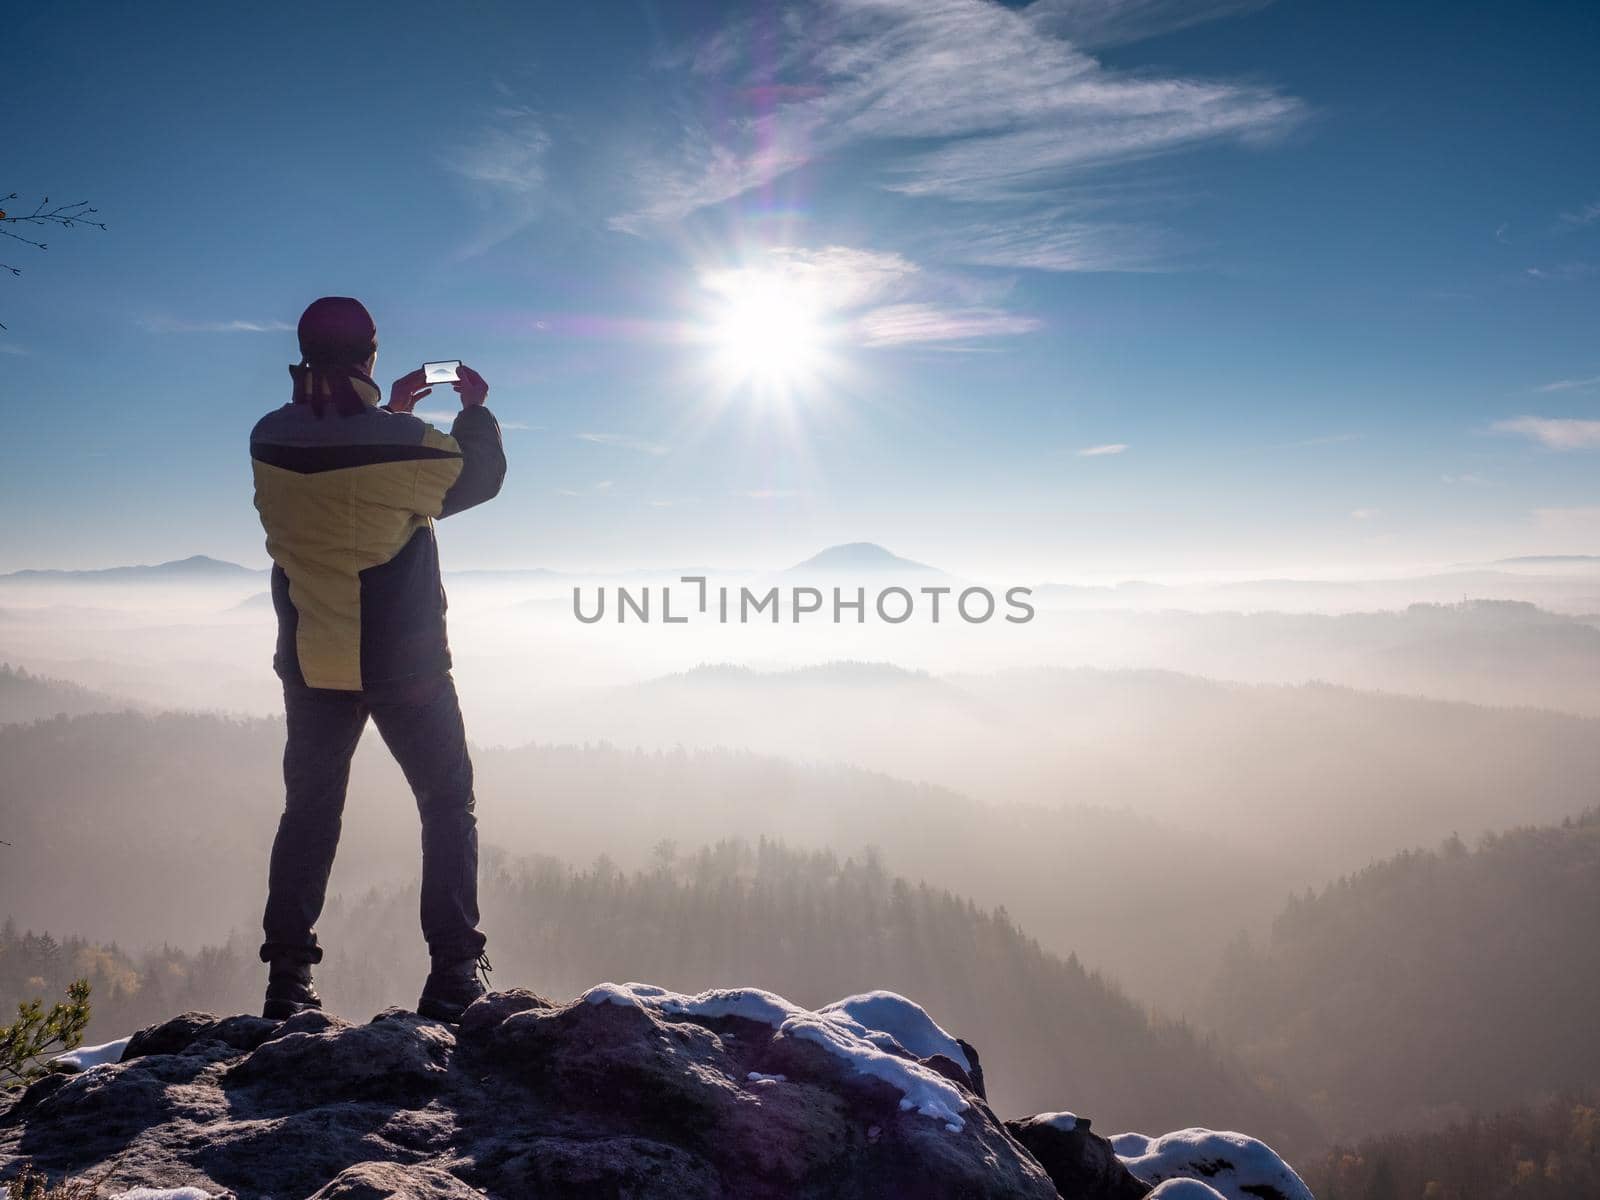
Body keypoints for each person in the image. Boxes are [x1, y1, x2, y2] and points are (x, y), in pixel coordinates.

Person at [249, 296, 507, 1023]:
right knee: (446, 802)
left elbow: (344, 472)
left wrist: (388, 413)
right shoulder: (409, 446)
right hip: (406, 668)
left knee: (310, 811)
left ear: (303, 352)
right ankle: (455, 969)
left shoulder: (268, 439)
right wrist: (475, 411)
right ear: (370, 353)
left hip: (311, 662)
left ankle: (288, 978)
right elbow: (476, 479)